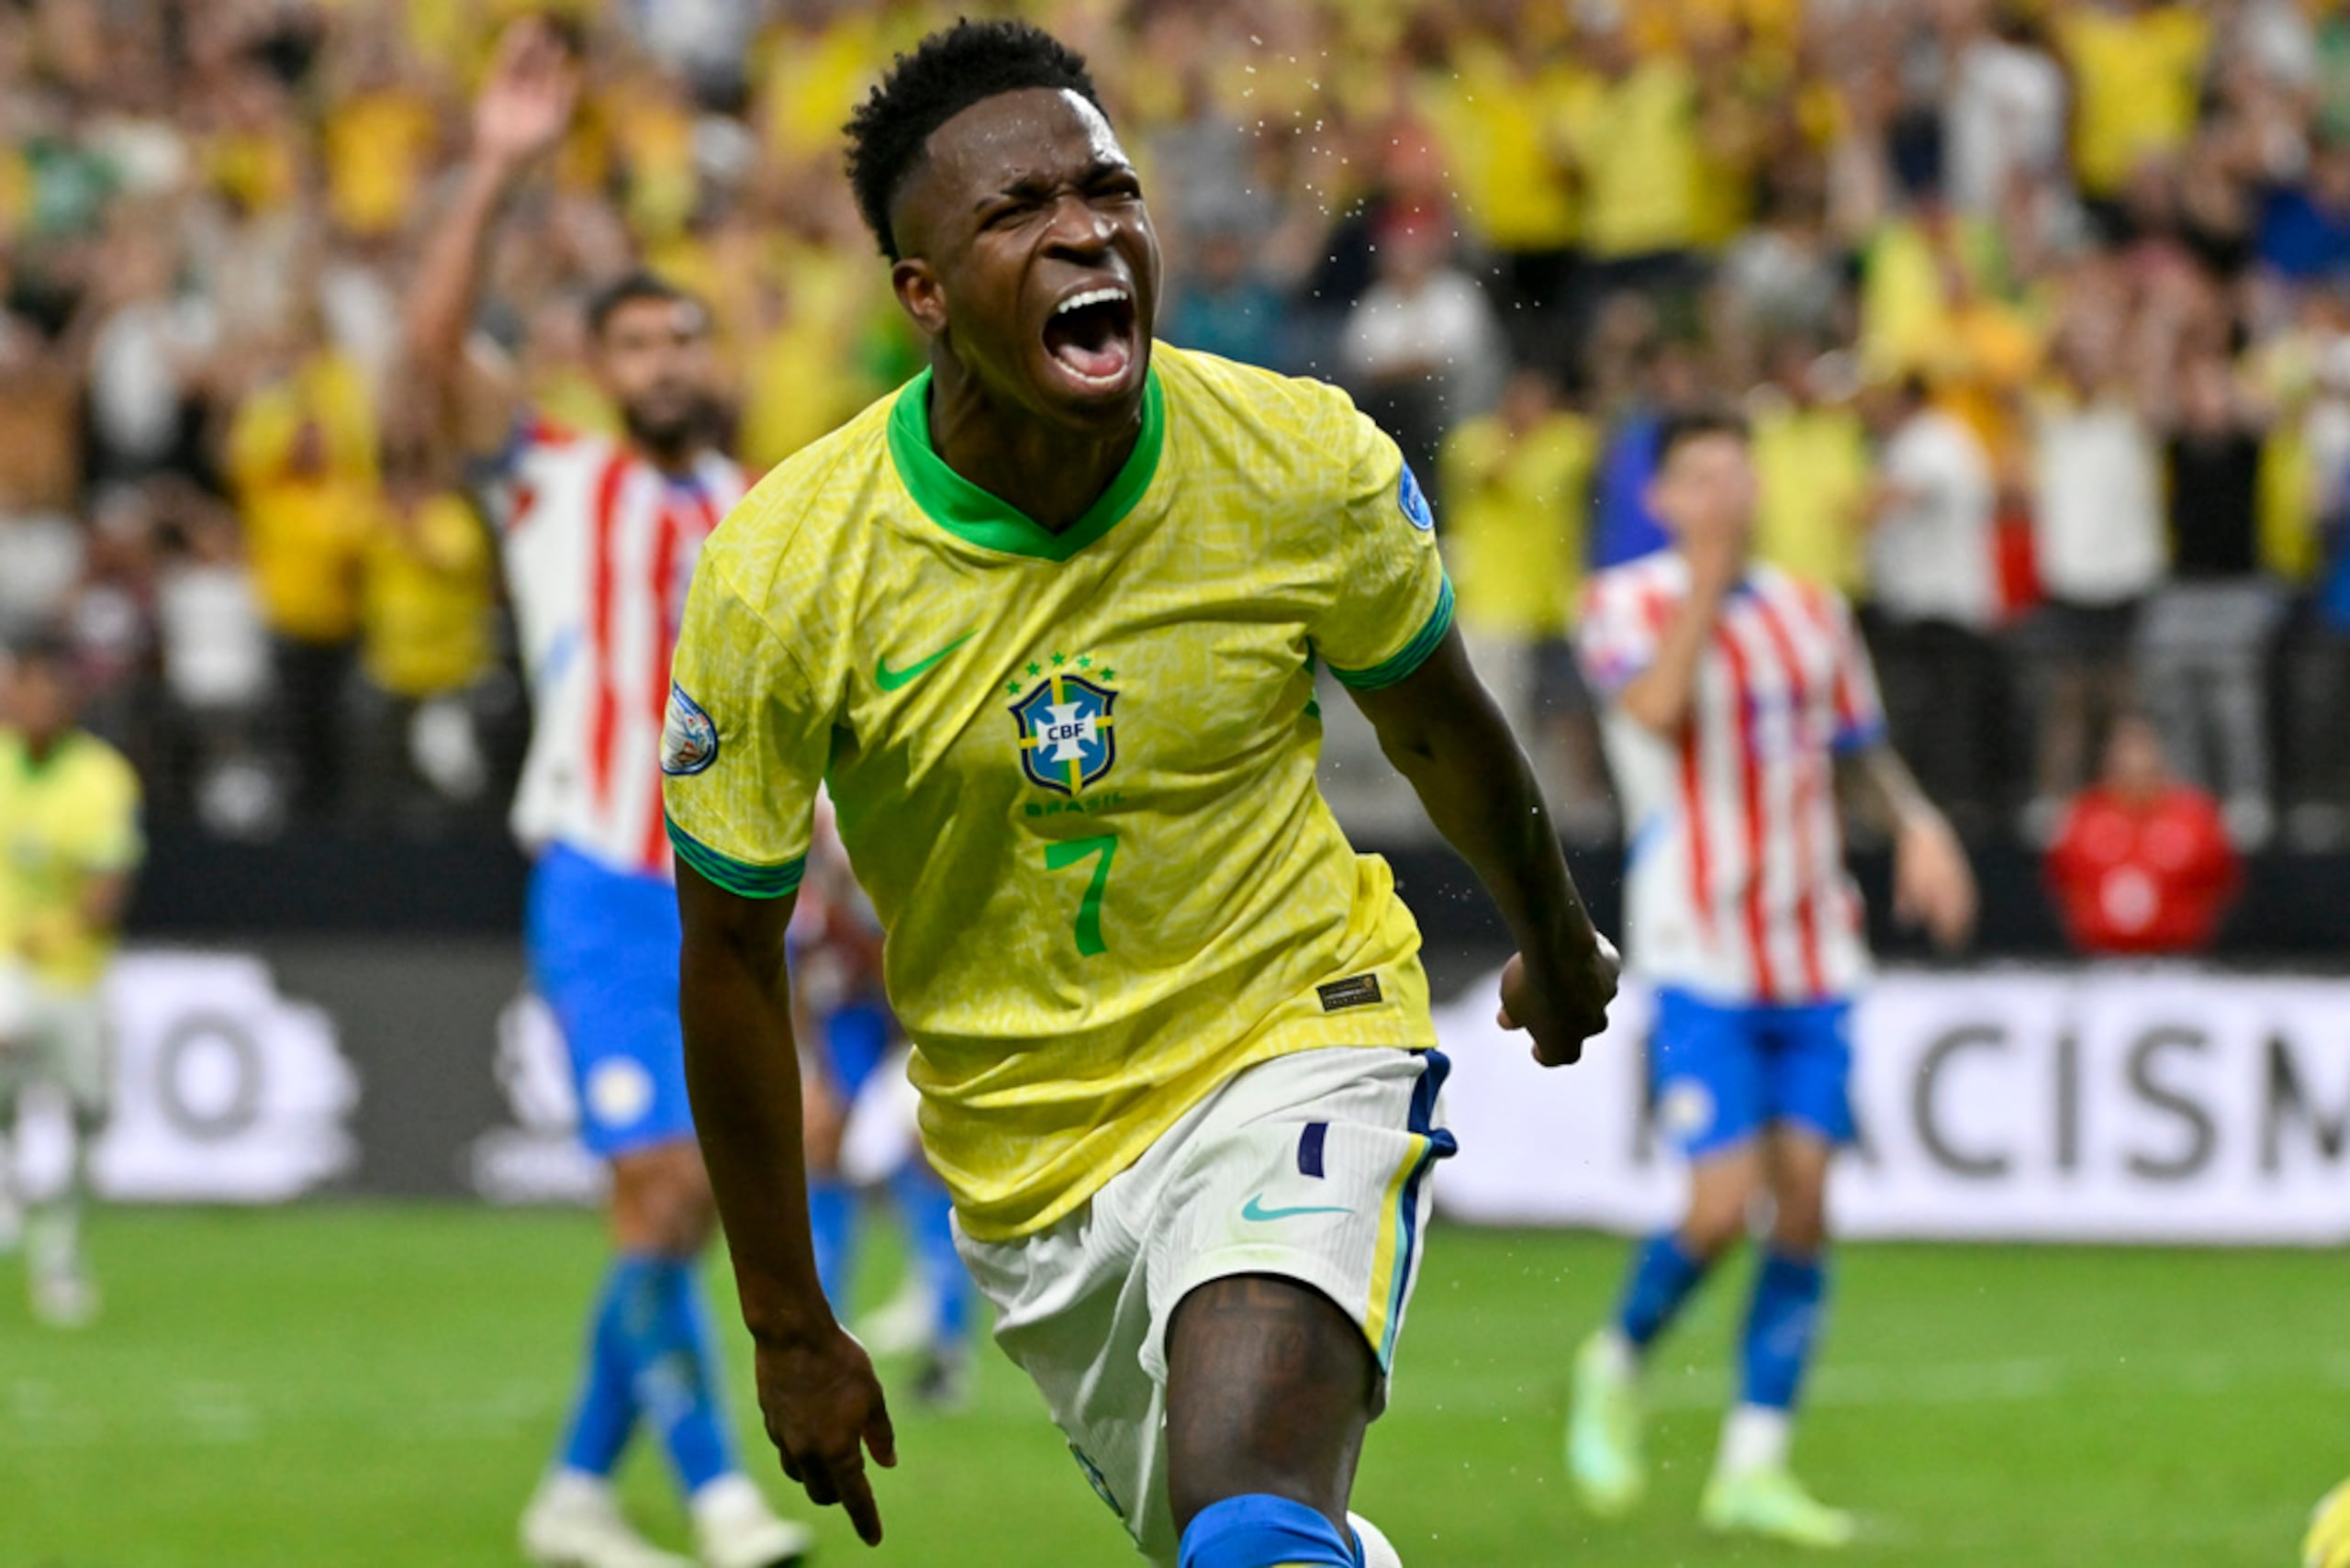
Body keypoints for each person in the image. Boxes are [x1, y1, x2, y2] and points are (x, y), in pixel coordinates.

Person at [660, 21, 1619, 1568]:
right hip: (1033, 1170)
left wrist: (1556, 930)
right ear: (924, 296)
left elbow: (1442, 727)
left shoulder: (1295, 459)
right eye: (1016, 210)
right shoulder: (790, 571)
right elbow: (724, 950)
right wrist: (786, 1319)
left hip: (1295, 1033)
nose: (1086, 229)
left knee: (1247, 1514)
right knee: (1255, 1540)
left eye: (1107, 188)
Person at [404, 23, 810, 1568]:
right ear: (598, 366)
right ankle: (711, 1492)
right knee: (654, 1182)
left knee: (691, 1205)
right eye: (637, 344)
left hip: (728, 887)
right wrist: (498, 168)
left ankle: (576, 1483)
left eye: (685, 341)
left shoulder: (752, 505)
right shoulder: (556, 476)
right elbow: (429, 368)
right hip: (597, 875)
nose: (667, 364)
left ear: (714, 358)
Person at [1567, 409, 1976, 1546]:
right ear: (1662, 500)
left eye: (1735, 470)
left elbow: (1854, 748)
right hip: (1700, 944)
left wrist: (1920, 826)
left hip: (1815, 948)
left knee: (1802, 1203)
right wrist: (1703, 582)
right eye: (1697, 474)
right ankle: (1614, 1359)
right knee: (1718, 1203)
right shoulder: (1625, 604)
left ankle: (1753, 1463)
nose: (1724, 490)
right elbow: (1651, 709)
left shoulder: (1812, 612)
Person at [789, 798, 976, 1409]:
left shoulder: (876, 879)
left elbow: (907, 976)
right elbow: (791, 978)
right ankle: (824, 1337)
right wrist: (815, 1071)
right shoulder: (789, 881)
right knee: (821, 1150)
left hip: (901, 1039)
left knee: (920, 1155)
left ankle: (946, 1340)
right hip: (838, 1036)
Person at [0, 634, 143, 1327]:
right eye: (20, 689)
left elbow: (107, 889)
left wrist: (49, 933)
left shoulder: (101, 778)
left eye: (45, 691)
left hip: (74, 976)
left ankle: (58, 1253)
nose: (29, 704)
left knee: (85, 1116)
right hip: (6, 969)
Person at [2044, 712, 2240, 955]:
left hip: (2181, 960)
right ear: (2109, 761)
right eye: (2125, 753)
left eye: (2142, 751)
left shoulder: (2195, 815)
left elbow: (2221, 883)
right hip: (2098, 959)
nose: (2135, 763)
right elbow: (2061, 882)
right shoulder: (2083, 814)